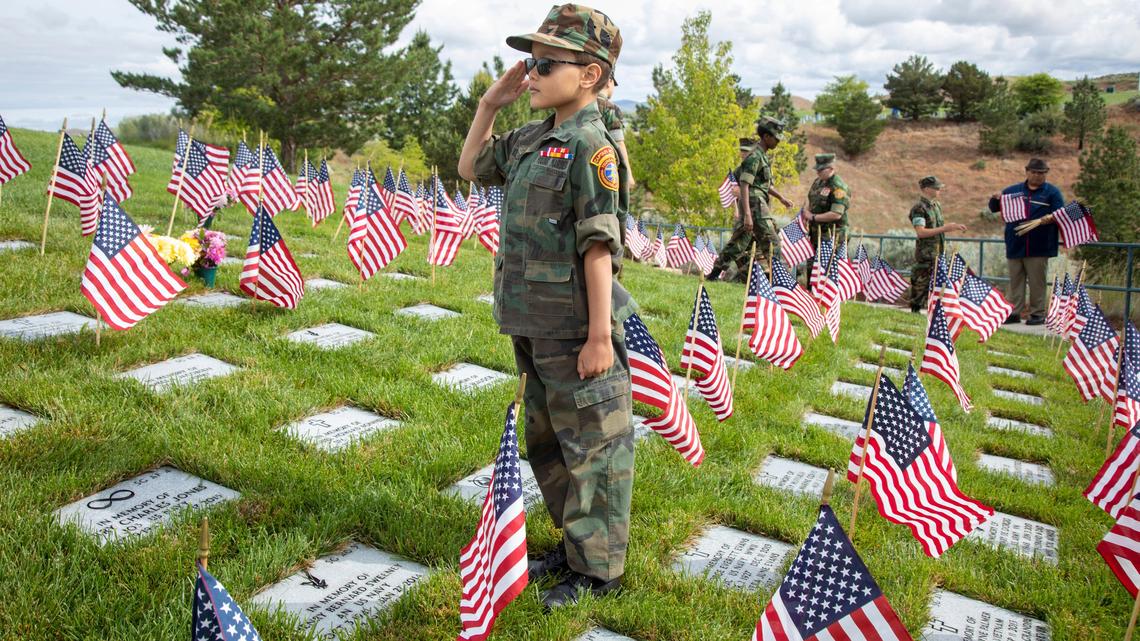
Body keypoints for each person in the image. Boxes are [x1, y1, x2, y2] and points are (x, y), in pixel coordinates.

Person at [458, 4, 634, 611]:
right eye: (529, 61)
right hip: (532, 320)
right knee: (548, 440)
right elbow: (470, 167)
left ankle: (600, 570)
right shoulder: (535, 135)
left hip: (574, 325)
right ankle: (575, 544)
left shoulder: (593, 144)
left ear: (589, 74)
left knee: (593, 445)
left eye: (544, 63)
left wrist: (599, 337)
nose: (529, 73)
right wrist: (489, 106)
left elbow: (598, 242)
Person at [707, 116, 795, 282]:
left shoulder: (761, 156)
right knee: (772, 243)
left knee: (738, 243)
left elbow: (763, 184)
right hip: (755, 205)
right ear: (766, 137)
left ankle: (713, 275)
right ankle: (780, 283)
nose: (778, 142)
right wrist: (747, 214)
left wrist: (781, 198)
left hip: (756, 203)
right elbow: (745, 185)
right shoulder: (755, 156)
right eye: (776, 138)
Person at [984, 158, 1064, 325]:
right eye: (1034, 172)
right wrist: (995, 199)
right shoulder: (1013, 191)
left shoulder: (1052, 193)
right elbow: (994, 209)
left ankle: (1037, 313)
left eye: (1041, 173)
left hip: (1039, 245)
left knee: (1037, 282)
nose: (1037, 176)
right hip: (1015, 243)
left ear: (1046, 174)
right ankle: (1014, 312)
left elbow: (1060, 215)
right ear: (1027, 171)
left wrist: (1046, 219)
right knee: (1016, 281)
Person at [908, 176, 967, 312]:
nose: (939, 190)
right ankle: (915, 311)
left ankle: (931, 313)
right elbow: (921, 232)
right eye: (936, 188)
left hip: (937, 253)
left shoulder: (936, 206)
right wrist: (945, 228)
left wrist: (953, 226)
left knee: (936, 286)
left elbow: (936, 227)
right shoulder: (919, 208)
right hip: (926, 255)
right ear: (927, 189)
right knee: (921, 285)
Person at [802, 153, 850, 290]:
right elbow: (812, 200)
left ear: (831, 168)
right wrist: (806, 215)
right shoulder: (818, 182)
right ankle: (812, 297)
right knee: (812, 266)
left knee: (828, 269)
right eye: (817, 169)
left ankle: (827, 299)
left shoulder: (838, 187)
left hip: (832, 235)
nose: (817, 172)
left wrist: (813, 217)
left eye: (821, 169)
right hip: (815, 233)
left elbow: (836, 214)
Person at [597, 77, 634, 189]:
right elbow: (618, 143)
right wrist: (628, 175)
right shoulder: (610, 108)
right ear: (609, 82)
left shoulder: (578, 105)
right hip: (602, 170)